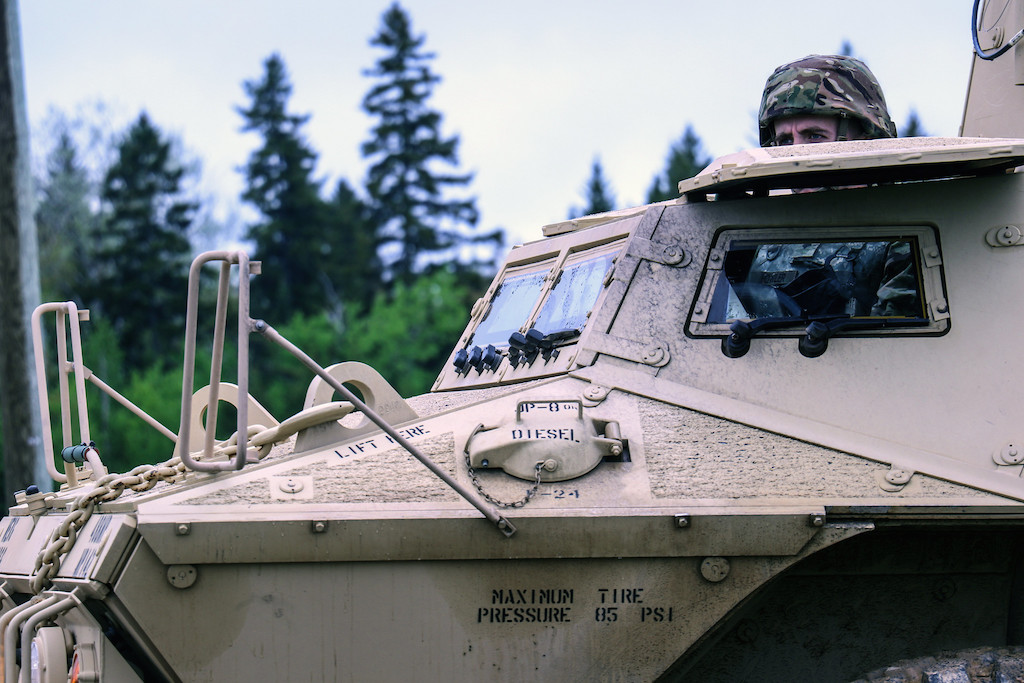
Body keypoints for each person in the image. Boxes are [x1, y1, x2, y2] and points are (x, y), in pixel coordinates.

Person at [722, 55, 920, 320]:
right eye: (784, 141)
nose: (796, 154)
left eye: (814, 136)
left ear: (864, 137)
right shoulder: (757, 230)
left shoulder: (907, 231)